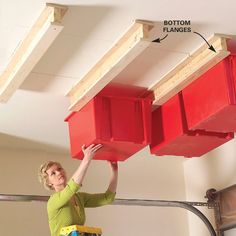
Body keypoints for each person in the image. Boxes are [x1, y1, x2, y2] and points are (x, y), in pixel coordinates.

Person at [38, 144, 118, 236]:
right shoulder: (53, 201)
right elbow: (72, 187)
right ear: (49, 183)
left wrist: (114, 171)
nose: (59, 172)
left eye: (60, 169)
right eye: (53, 173)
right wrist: (86, 159)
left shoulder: (80, 198)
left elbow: (107, 198)